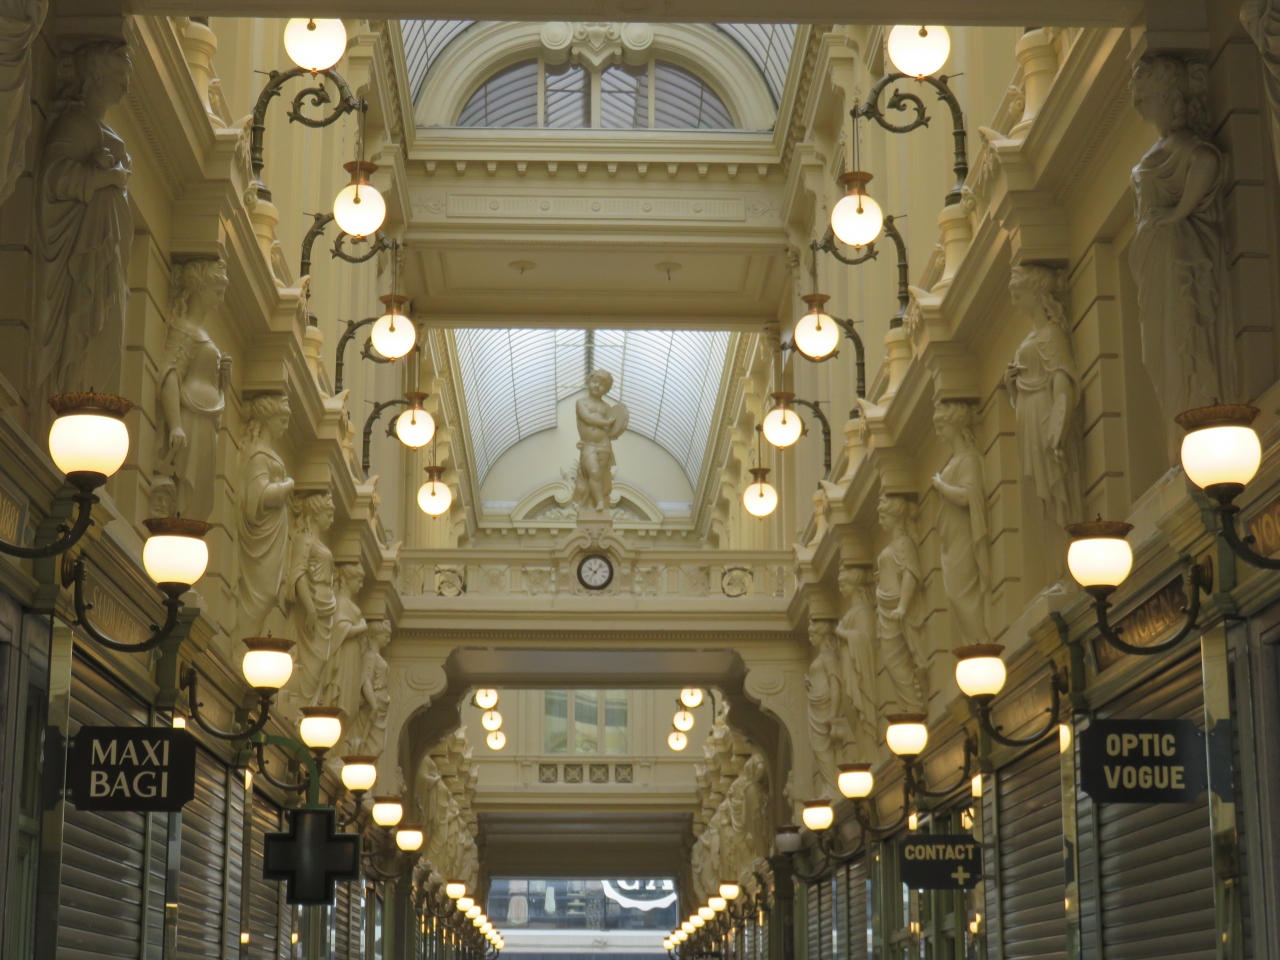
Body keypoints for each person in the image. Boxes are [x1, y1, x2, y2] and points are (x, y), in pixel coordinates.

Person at [573, 369, 627, 513]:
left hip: (604, 445)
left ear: (606, 389)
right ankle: (600, 501)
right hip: (589, 445)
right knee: (594, 472)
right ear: (589, 382)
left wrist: (619, 423)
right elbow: (587, 418)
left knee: (599, 476)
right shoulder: (581, 402)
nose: (597, 386)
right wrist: (607, 422)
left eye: (602, 384)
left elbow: (612, 430)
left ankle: (588, 503)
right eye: (595, 382)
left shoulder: (607, 407)